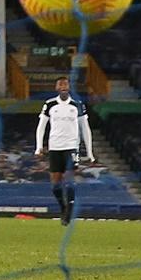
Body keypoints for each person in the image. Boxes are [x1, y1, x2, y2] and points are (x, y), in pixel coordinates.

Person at [35, 76, 95, 225]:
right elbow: (41, 126)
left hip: (71, 146)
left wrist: (90, 152)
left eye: (65, 84)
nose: (63, 86)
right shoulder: (50, 104)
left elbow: (85, 128)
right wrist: (38, 146)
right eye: (60, 84)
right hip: (55, 146)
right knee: (55, 183)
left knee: (69, 178)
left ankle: (70, 210)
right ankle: (63, 207)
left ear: (69, 87)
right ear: (56, 88)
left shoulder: (77, 104)